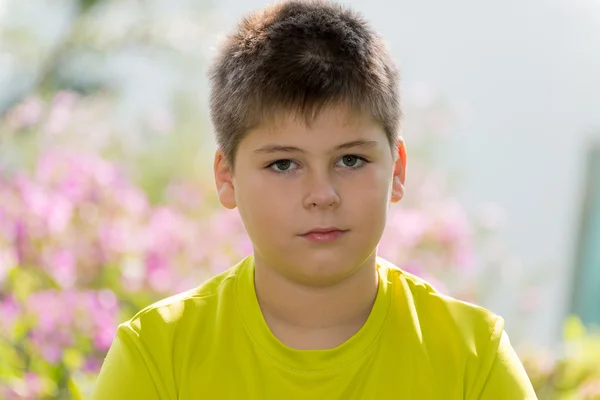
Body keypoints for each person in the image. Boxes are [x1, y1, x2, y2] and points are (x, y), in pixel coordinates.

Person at [91, 1, 537, 398]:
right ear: (227, 178)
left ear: (397, 169)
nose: (322, 195)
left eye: (351, 159)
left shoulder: (473, 361)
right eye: (284, 164)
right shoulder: (157, 356)